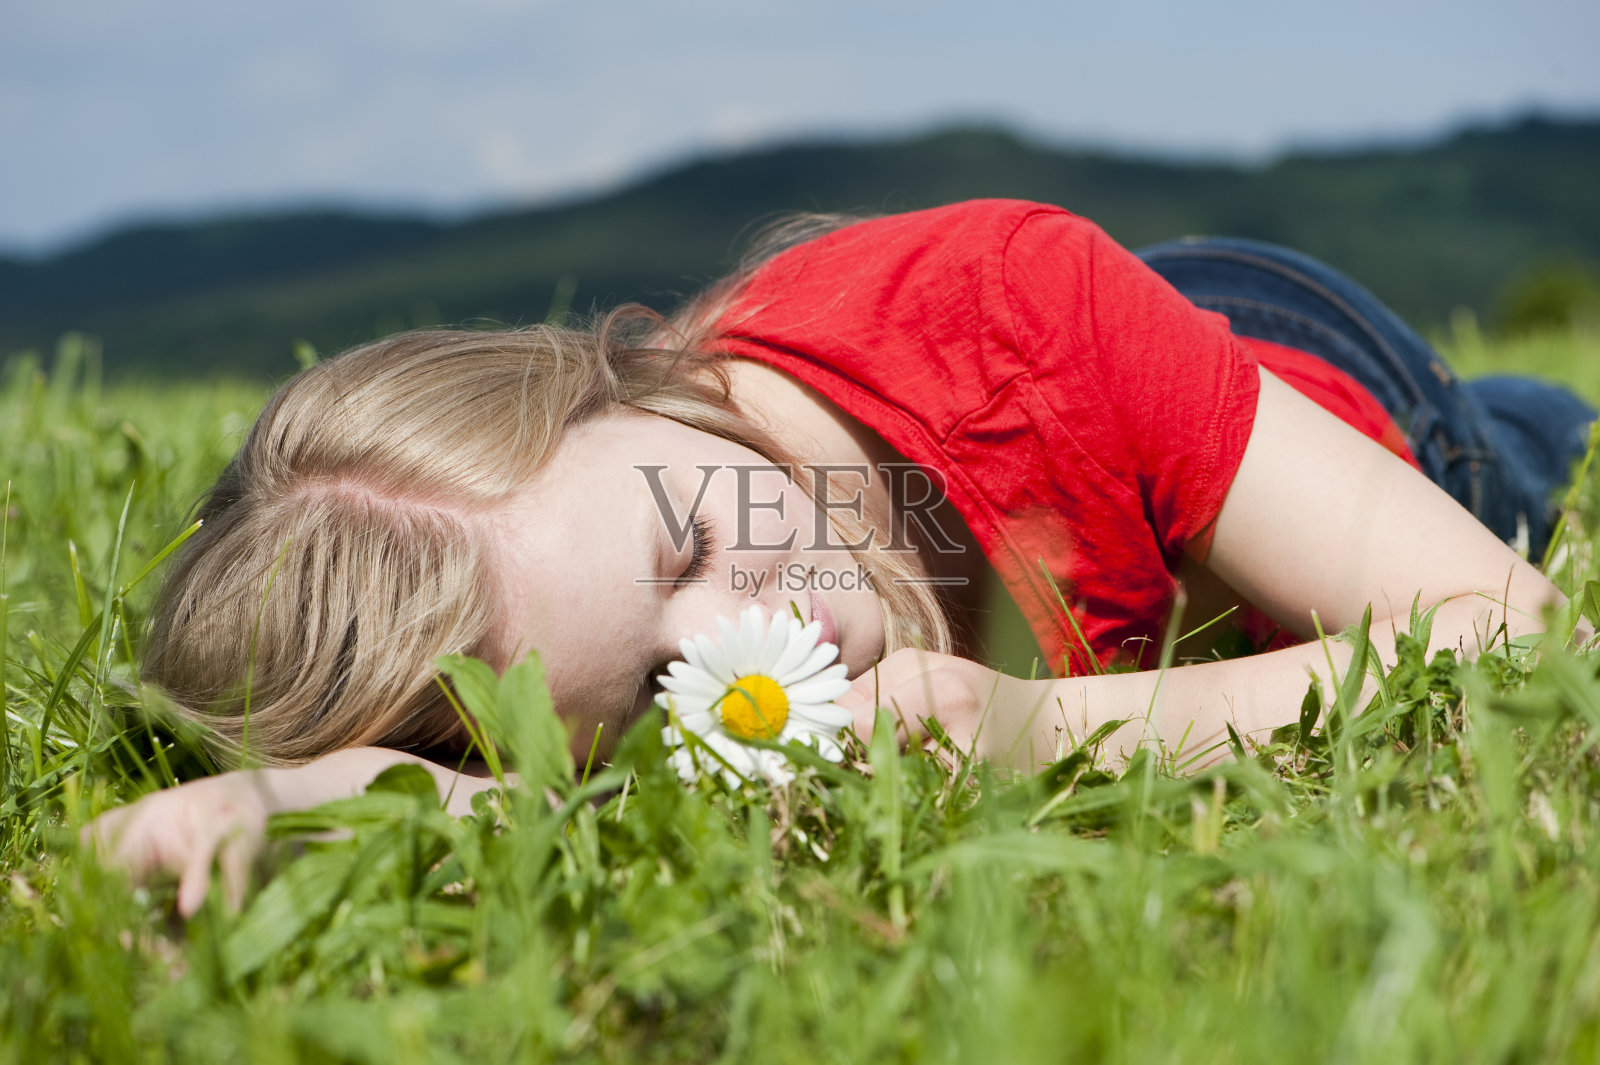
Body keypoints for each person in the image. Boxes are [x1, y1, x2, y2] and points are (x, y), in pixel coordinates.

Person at [86, 199, 1593, 915]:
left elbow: (1523, 641)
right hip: (1131, 392)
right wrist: (375, 796)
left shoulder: (1014, 311)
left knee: (1541, 445)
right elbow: (563, 805)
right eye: (667, 683)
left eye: (691, 539)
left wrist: (1054, 728)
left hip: (1301, 374)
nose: (778, 630)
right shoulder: (595, 641)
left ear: (644, 380)